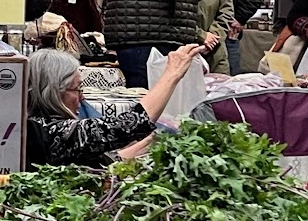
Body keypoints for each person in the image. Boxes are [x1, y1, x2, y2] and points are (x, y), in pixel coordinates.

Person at [26, 43, 205, 166]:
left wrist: (154, 140)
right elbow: (133, 123)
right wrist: (173, 72)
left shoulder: (43, 127)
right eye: (76, 89)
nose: (82, 98)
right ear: (54, 92)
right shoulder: (52, 132)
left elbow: (106, 163)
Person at [195, 0, 235, 74]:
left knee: (221, 86)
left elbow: (227, 11)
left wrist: (214, 37)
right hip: (186, 47)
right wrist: (201, 35)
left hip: (216, 48)